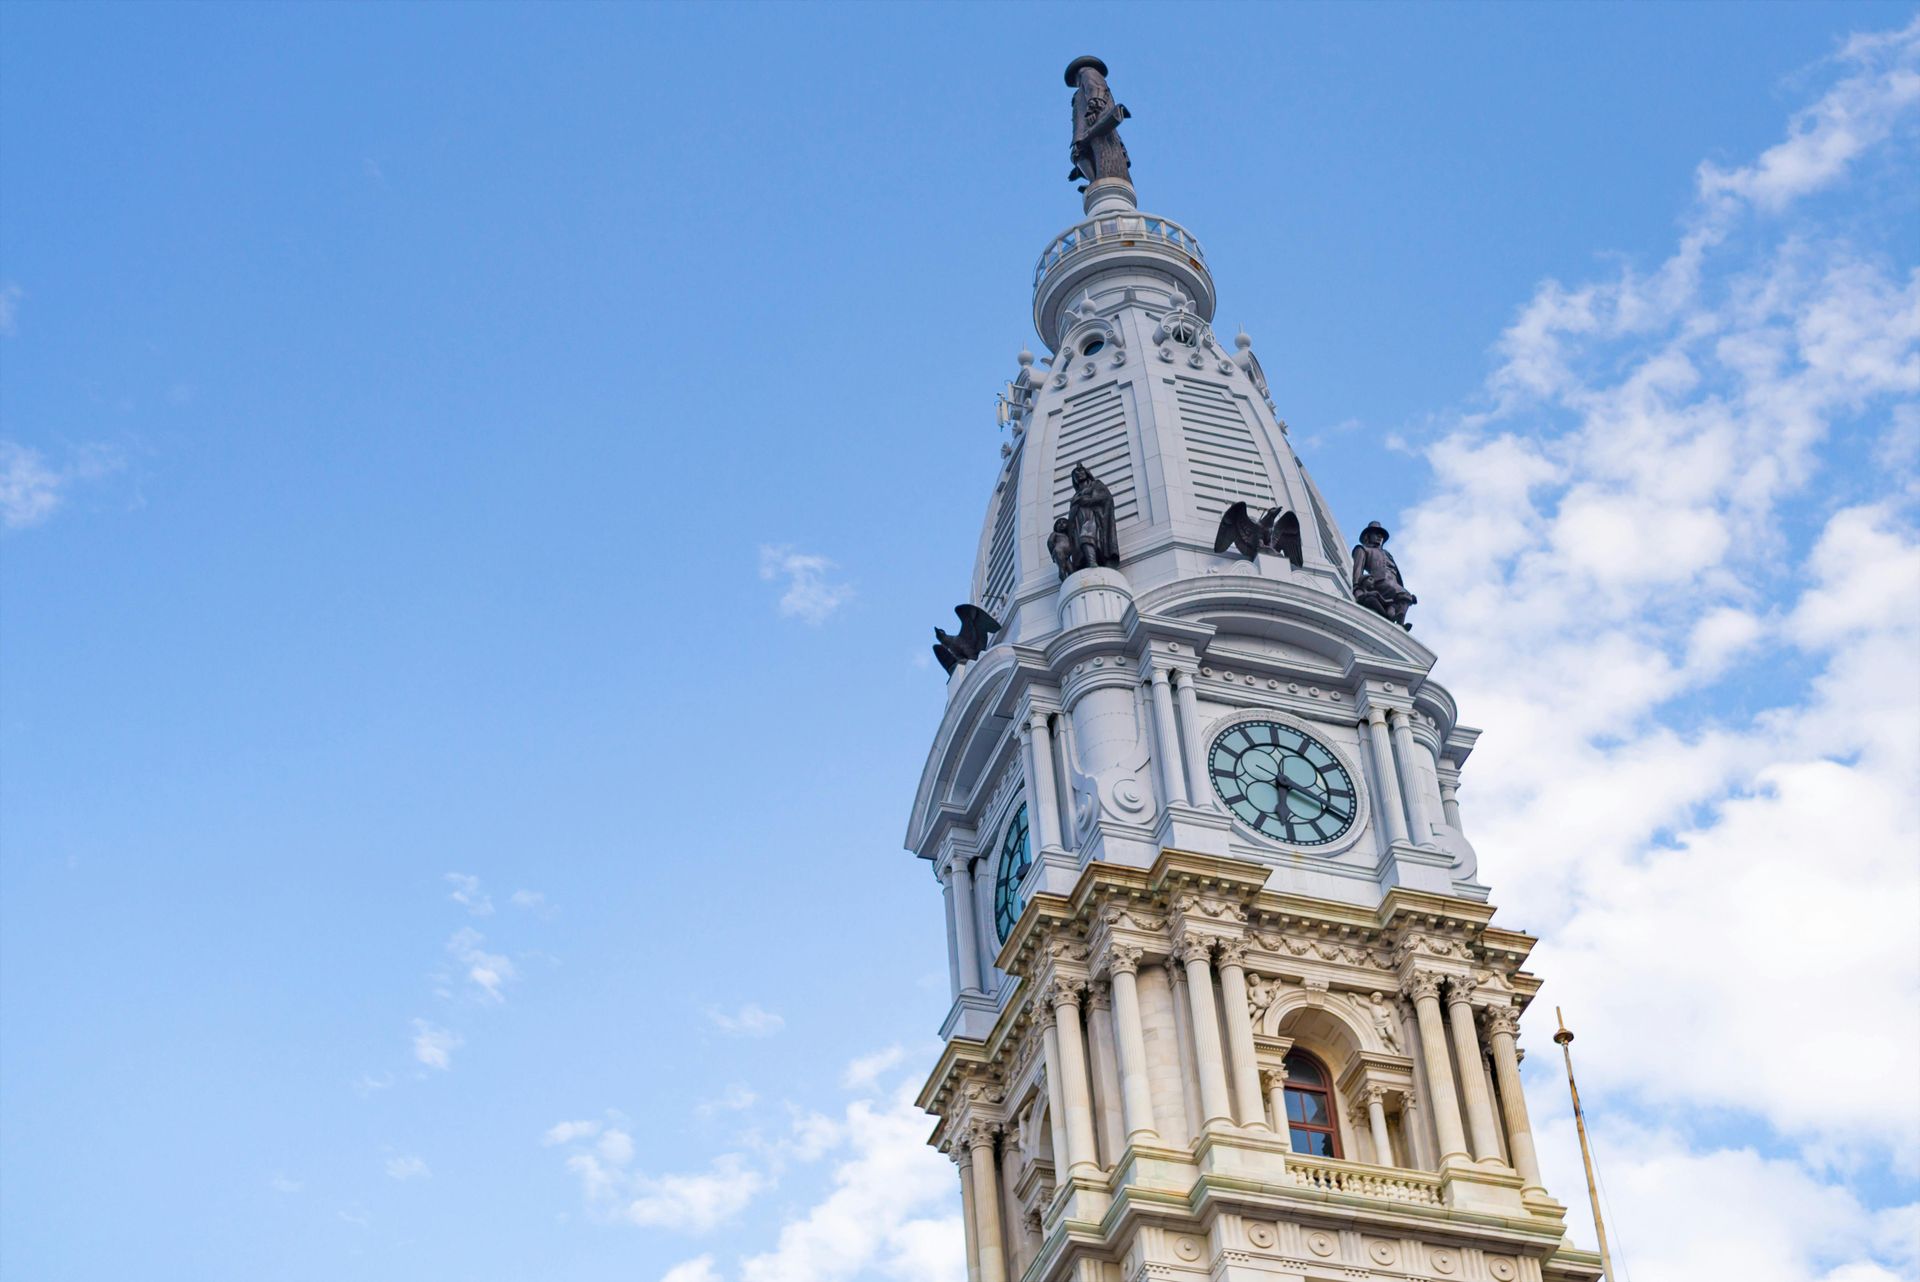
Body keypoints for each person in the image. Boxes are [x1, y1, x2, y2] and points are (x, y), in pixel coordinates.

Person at [1351, 521, 1415, 629]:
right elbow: (1358, 569)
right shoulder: (1362, 549)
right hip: (1378, 582)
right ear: (1368, 536)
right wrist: (1357, 588)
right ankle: (1399, 623)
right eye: (1376, 534)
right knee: (1405, 595)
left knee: (1398, 604)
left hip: (1393, 583)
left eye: (1381, 535)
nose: (1380, 537)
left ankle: (1394, 620)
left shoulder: (1387, 554)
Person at [1067, 463, 1119, 571]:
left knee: (1086, 537)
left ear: (1087, 473)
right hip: (1079, 521)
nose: (1079, 474)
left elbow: (1106, 498)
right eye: (1075, 474)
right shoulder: (1075, 496)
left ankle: (1093, 562)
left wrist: (1088, 501)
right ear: (1074, 480)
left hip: (1093, 516)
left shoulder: (1096, 485)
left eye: (1081, 471)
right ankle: (1088, 561)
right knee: (1082, 540)